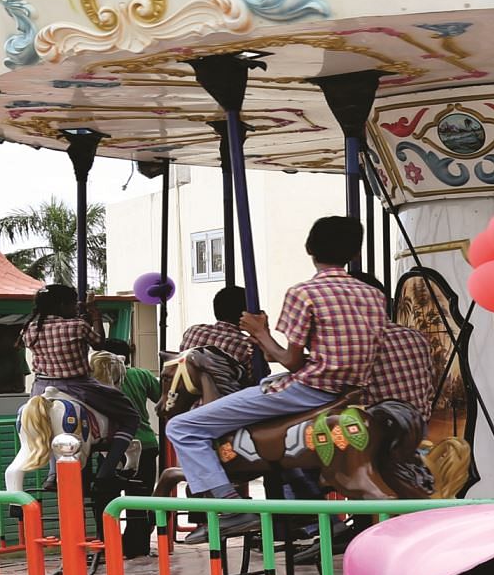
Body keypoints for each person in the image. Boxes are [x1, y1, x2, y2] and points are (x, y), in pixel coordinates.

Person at [165, 216, 387, 543]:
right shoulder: (373, 296)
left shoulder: (304, 292)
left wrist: (260, 332)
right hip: (350, 391)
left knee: (182, 427)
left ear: (310, 249)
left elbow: (290, 361)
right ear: (355, 252)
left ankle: (228, 506)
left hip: (307, 390)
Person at [18, 284, 140, 490]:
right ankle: (107, 471)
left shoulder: (30, 329)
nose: (75, 307)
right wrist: (94, 315)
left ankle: (52, 474)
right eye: (72, 303)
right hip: (78, 385)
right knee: (130, 416)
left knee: (44, 422)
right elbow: (100, 344)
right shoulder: (76, 325)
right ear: (62, 305)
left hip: (40, 387)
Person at [97, 339, 161, 558]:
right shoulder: (141, 375)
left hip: (108, 446)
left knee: (105, 499)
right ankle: (137, 547)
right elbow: (162, 399)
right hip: (144, 443)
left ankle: (108, 547)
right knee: (140, 499)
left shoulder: (95, 380)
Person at [179, 286, 258, 387]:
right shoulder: (247, 345)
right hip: (225, 401)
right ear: (244, 314)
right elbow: (257, 382)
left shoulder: (192, 331)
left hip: (185, 400)